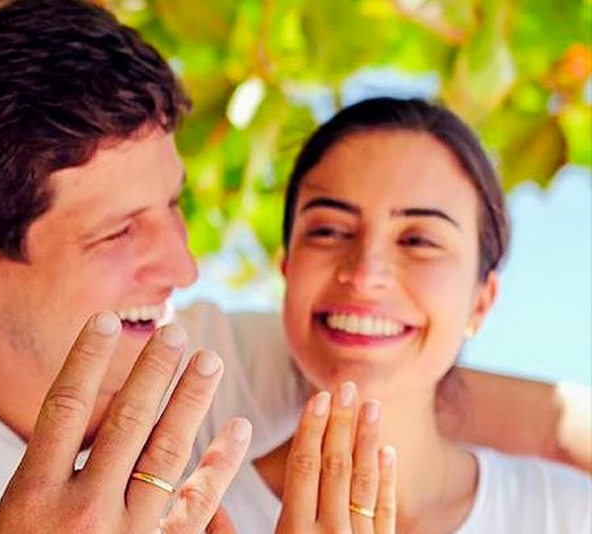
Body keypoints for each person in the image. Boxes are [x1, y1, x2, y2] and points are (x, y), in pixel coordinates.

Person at [0, 0, 587, 531]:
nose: (184, 265)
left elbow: (507, 408)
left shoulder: (207, 355)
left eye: (172, 205)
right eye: (118, 233)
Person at [240, 97, 590, 533]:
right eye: (329, 231)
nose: (366, 274)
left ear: (481, 301)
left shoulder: (567, 515)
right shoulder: (195, 513)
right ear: (287, 268)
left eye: (419, 240)